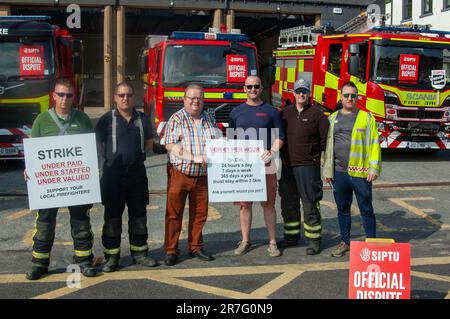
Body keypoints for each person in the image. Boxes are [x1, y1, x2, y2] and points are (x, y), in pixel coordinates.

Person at [25, 78, 97, 280]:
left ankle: (84, 260)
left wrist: (91, 173)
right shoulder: (41, 120)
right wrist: (28, 169)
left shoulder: (82, 119)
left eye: (69, 95)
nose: (65, 99)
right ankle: (39, 263)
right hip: (50, 184)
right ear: (54, 96)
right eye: (61, 94)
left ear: (74, 97)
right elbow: (33, 148)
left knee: (81, 221)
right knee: (45, 222)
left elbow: (88, 151)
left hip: (75, 183)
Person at [96, 82, 156, 272]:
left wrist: (135, 156)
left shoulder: (143, 119)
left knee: (139, 216)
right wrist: (112, 159)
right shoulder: (106, 120)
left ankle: (139, 253)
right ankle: (111, 257)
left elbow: (148, 142)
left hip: (137, 174)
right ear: (115, 97)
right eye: (121, 95)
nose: (125, 98)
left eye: (129, 95)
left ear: (133, 97)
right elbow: (100, 145)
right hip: (113, 174)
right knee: (112, 218)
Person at [162, 84, 221, 266]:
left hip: (203, 175)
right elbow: (170, 145)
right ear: (184, 99)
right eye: (192, 98)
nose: (196, 101)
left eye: (199, 98)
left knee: (200, 214)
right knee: (174, 214)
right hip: (180, 173)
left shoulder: (210, 118)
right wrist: (195, 157)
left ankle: (196, 247)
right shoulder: (176, 119)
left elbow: (218, 142)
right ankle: (171, 250)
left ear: (203, 100)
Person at [322, 81, 382, 257]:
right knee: (342, 209)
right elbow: (327, 146)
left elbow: (374, 144)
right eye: (346, 95)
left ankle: (371, 243)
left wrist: (374, 169)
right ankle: (345, 242)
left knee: (366, 208)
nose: (349, 98)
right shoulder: (332, 118)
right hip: (339, 173)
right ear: (341, 97)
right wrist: (327, 170)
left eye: (353, 96)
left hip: (361, 173)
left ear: (357, 98)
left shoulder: (367, 117)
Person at [228, 75, 285, 257]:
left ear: (261, 88)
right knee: (244, 205)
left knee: (268, 204)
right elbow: (231, 141)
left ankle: (272, 242)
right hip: (245, 167)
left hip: (266, 165)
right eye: (249, 86)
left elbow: (280, 137)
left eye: (256, 86)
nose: (253, 89)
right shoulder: (235, 112)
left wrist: (272, 151)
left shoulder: (271, 111)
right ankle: (245, 241)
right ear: (244, 89)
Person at [278, 78, 329, 255]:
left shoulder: (318, 115)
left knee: (310, 204)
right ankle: (291, 238)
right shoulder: (284, 114)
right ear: (293, 94)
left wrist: (319, 161)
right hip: (287, 167)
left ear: (309, 94)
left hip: (308, 168)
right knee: (288, 204)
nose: (301, 94)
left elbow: (325, 142)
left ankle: (314, 240)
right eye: (298, 91)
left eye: (304, 91)